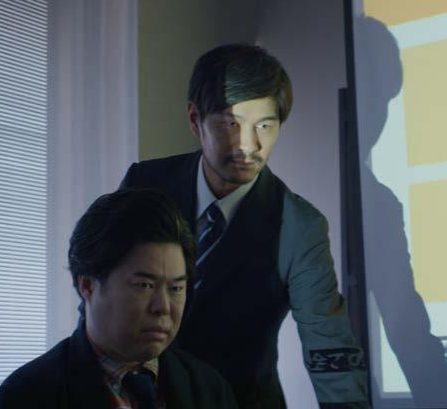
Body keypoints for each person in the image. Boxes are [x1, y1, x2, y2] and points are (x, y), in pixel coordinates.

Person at [119, 43, 370, 408]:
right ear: (195, 120)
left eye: (265, 126)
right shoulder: (145, 185)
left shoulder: (298, 225)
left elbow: (329, 345)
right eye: (230, 124)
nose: (248, 145)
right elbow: (100, 302)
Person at [0, 189, 238, 409]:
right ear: (88, 285)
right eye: (144, 285)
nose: (162, 307)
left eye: (176, 288)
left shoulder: (209, 389)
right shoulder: (25, 396)